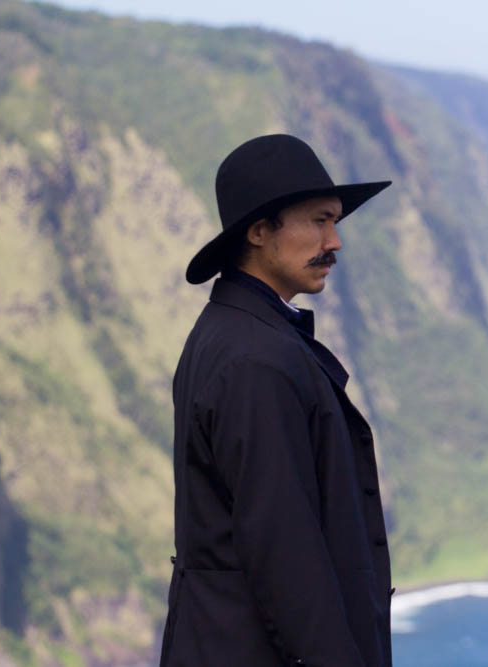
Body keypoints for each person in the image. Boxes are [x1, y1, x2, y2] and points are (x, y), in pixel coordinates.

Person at [159, 134, 394, 666]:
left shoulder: (232, 336)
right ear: (260, 231)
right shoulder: (256, 359)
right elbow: (285, 552)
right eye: (319, 221)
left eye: (336, 222)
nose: (335, 241)